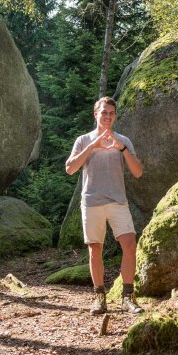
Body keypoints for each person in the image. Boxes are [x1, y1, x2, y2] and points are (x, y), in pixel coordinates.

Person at [65, 96, 144, 315]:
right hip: (91, 202)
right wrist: (93, 145)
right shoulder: (83, 140)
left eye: (111, 113)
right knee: (95, 249)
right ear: (96, 114)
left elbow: (138, 172)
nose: (108, 116)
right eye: (104, 113)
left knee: (130, 246)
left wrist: (122, 149)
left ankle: (128, 298)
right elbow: (70, 169)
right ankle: (100, 298)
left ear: (115, 116)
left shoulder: (123, 140)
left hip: (118, 201)